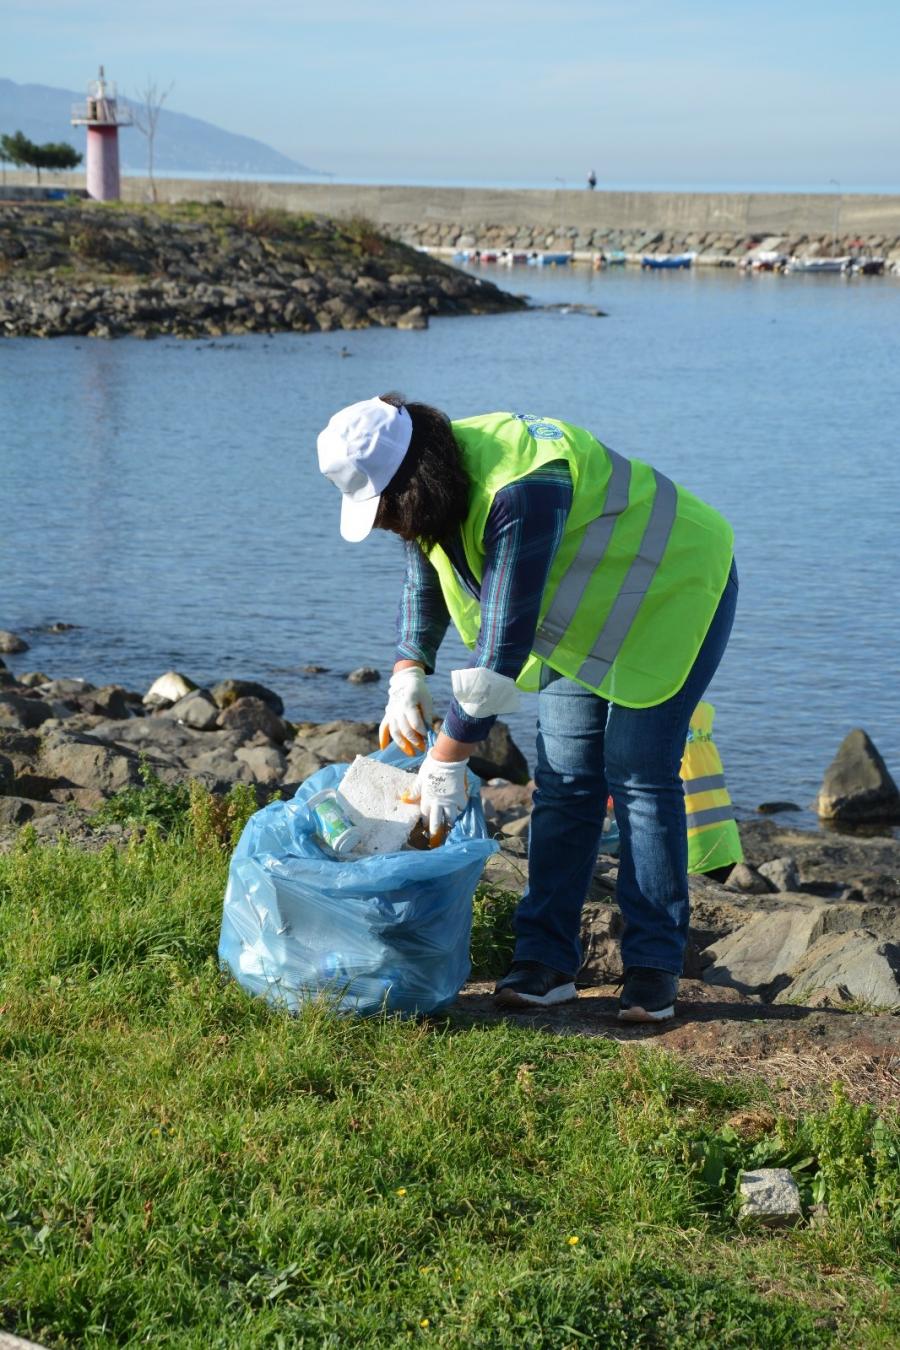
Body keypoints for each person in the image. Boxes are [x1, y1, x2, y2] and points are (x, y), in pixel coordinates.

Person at [317, 396, 737, 1022]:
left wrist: (447, 758)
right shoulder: (436, 479)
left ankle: (653, 967)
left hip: (672, 591)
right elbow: (423, 572)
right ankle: (545, 963)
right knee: (565, 783)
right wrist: (408, 669)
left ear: (412, 481)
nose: (388, 525)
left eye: (385, 509)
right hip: (582, 617)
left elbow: (504, 641)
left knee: (639, 775)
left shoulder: (521, 486)